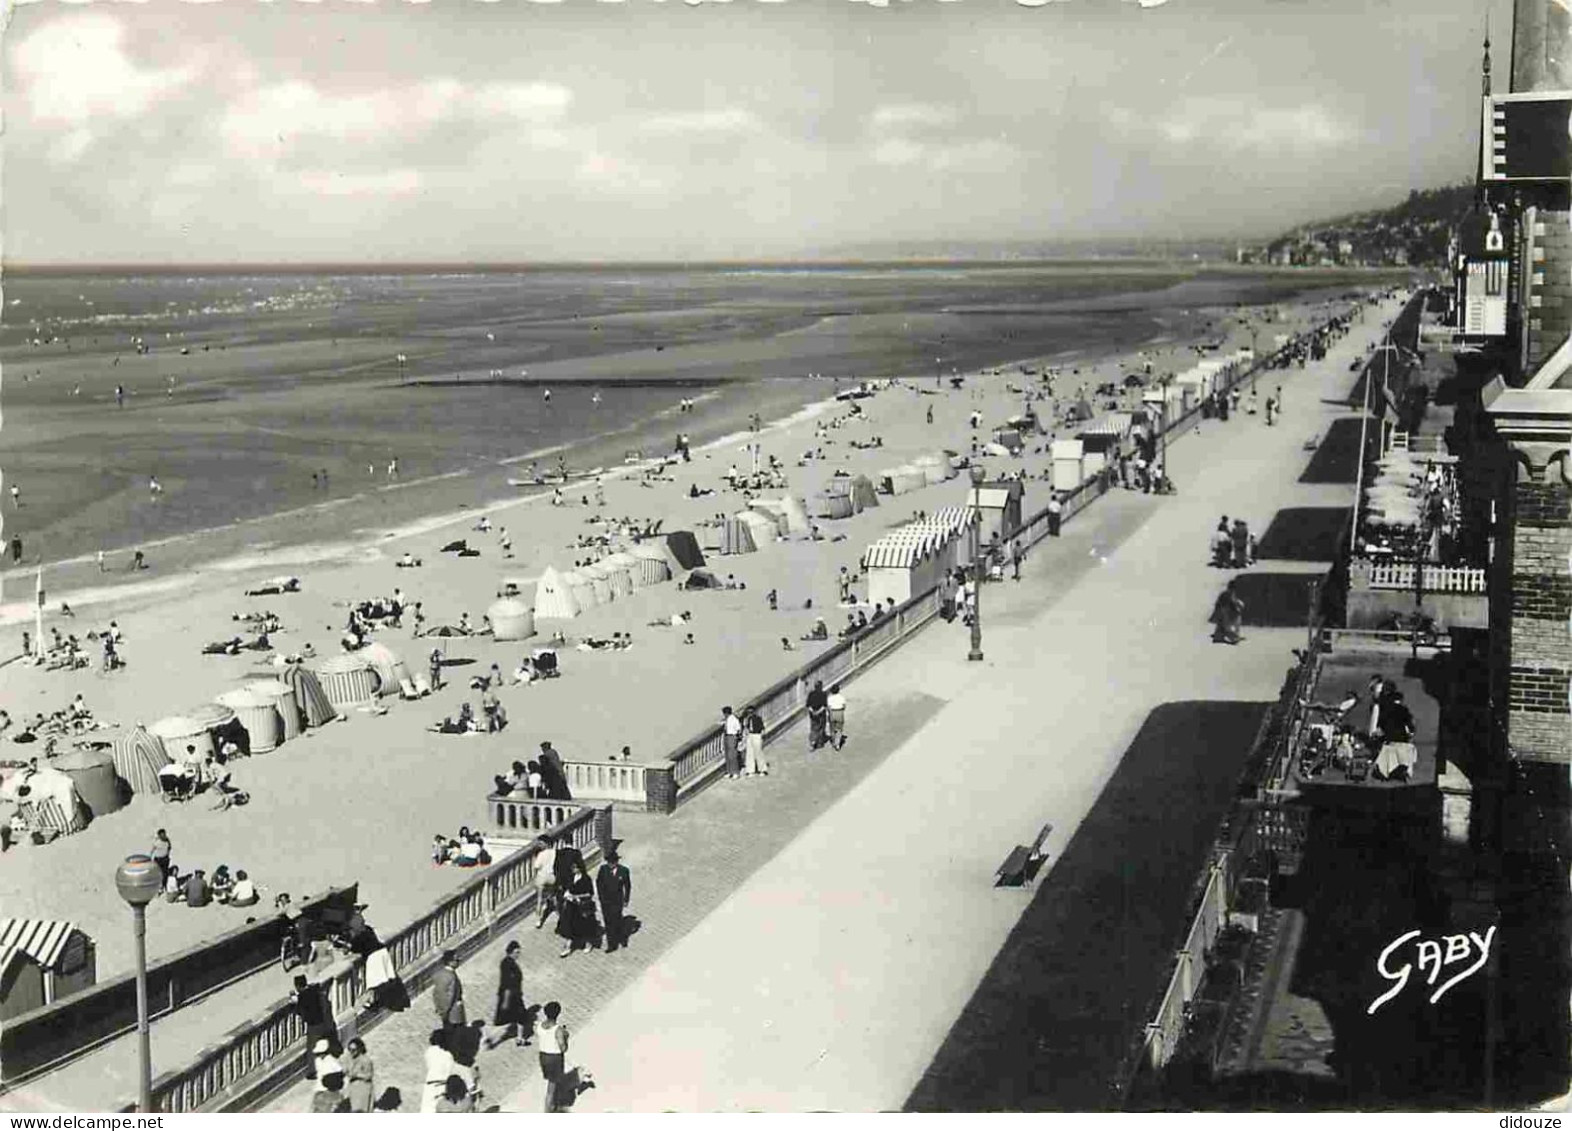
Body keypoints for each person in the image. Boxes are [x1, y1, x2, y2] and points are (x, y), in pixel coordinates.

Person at [487, 940, 530, 1049]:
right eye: (516, 952)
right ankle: (519, 1039)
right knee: (519, 1018)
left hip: (510, 995)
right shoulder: (510, 966)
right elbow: (508, 984)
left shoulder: (505, 962)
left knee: (507, 1019)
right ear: (511, 952)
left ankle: (493, 1038)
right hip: (512, 997)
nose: (518, 955)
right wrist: (506, 1001)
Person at [535, 1002, 571, 1113]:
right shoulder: (558, 1030)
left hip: (543, 1056)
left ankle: (553, 1103)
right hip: (554, 1058)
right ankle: (548, 1109)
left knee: (552, 1082)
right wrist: (566, 1037)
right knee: (551, 1087)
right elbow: (563, 1048)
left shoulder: (539, 1026)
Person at [557, 861, 598, 958]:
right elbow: (567, 888)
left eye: (575, 868)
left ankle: (588, 943)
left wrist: (575, 896)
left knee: (584, 926)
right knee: (569, 926)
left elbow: (590, 893)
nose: (573, 869)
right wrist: (566, 893)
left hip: (582, 906)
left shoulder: (586, 879)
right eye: (572, 868)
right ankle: (567, 947)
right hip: (571, 905)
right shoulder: (571, 877)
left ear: (580, 868)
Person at [596, 851, 633, 953]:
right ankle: (611, 944)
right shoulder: (603, 869)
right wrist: (601, 897)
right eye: (609, 862)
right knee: (608, 922)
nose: (610, 864)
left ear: (616, 861)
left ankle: (622, 939)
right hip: (606, 901)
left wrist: (626, 899)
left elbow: (627, 886)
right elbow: (599, 883)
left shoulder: (624, 871)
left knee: (617, 920)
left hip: (617, 900)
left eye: (612, 862)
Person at [432, 950, 466, 1040]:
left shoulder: (440, 973)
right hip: (453, 1012)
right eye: (456, 960)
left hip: (446, 1011)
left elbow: (436, 993)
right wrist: (444, 1012)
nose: (458, 961)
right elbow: (447, 997)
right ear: (450, 962)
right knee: (455, 1035)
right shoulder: (451, 977)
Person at [421, 1030, 456, 1114]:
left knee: (427, 1109)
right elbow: (450, 1069)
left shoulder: (429, 1051)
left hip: (430, 1082)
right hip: (443, 1084)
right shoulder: (448, 1054)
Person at [343, 1037, 375, 1113]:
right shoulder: (348, 1058)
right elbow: (346, 1070)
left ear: (360, 1049)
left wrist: (357, 1075)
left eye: (353, 1050)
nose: (351, 1052)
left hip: (363, 1089)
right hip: (353, 1088)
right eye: (349, 1049)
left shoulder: (366, 1060)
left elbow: (369, 1076)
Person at [535, 835, 560, 930]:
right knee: (554, 896)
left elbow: (537, 867)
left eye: (541, 843)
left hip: (542, 877)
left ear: (546, 844)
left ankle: (538, 920)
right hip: (552, 877)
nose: (539, 845)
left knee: (539, 899)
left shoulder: (541, 854)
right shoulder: (555, 853)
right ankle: (559, 914)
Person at [1209, 580, 1245, 645]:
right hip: (1225, 611)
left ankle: (1218, 637)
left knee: (1221, 625)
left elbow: (1219, 603)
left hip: (1221, 611)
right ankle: (1233, 638)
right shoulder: (1229, 594)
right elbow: (1232, 603)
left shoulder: (1226, 593)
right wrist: (1237, 609)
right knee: (1227, 626)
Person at [743, 706, 767, 776]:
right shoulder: (747, 720)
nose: (750, 714)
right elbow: (745, 728)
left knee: (758, 752)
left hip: (757, 735)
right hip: (750, 735)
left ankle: (762, 769)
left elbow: (762, 728)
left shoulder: (758, 718)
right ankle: (750, 770)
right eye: (748, 712)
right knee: (749, 753)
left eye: (751, 712)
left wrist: (762, 735)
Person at [720, 706, 743, 779]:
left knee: (732, 755)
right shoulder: (727, 719)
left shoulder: (734, 719)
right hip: (727, 737)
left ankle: (735, 772)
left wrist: (738, 737)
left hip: (732, 737)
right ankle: (729, 771)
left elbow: (739, 728)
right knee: (727, 755)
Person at [806, 680, 828, 751]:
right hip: (820, 714)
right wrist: (818, 712)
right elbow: (824, 706)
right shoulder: (823, 694)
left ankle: (812, 743)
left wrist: (813, 712)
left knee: (813, 729)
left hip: (812, 715)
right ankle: (819, 743)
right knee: (821, 728)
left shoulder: (811, 694)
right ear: (821, 686)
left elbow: (808, 706)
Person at [826, 683, 848, 750]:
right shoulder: (841, 697)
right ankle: (837, 744)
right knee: (839, 729)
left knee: (832, 729)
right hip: (839, 712)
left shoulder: (830, 698)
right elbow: (844, 706)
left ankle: (833, 741)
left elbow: (828, 707)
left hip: (832, 712)